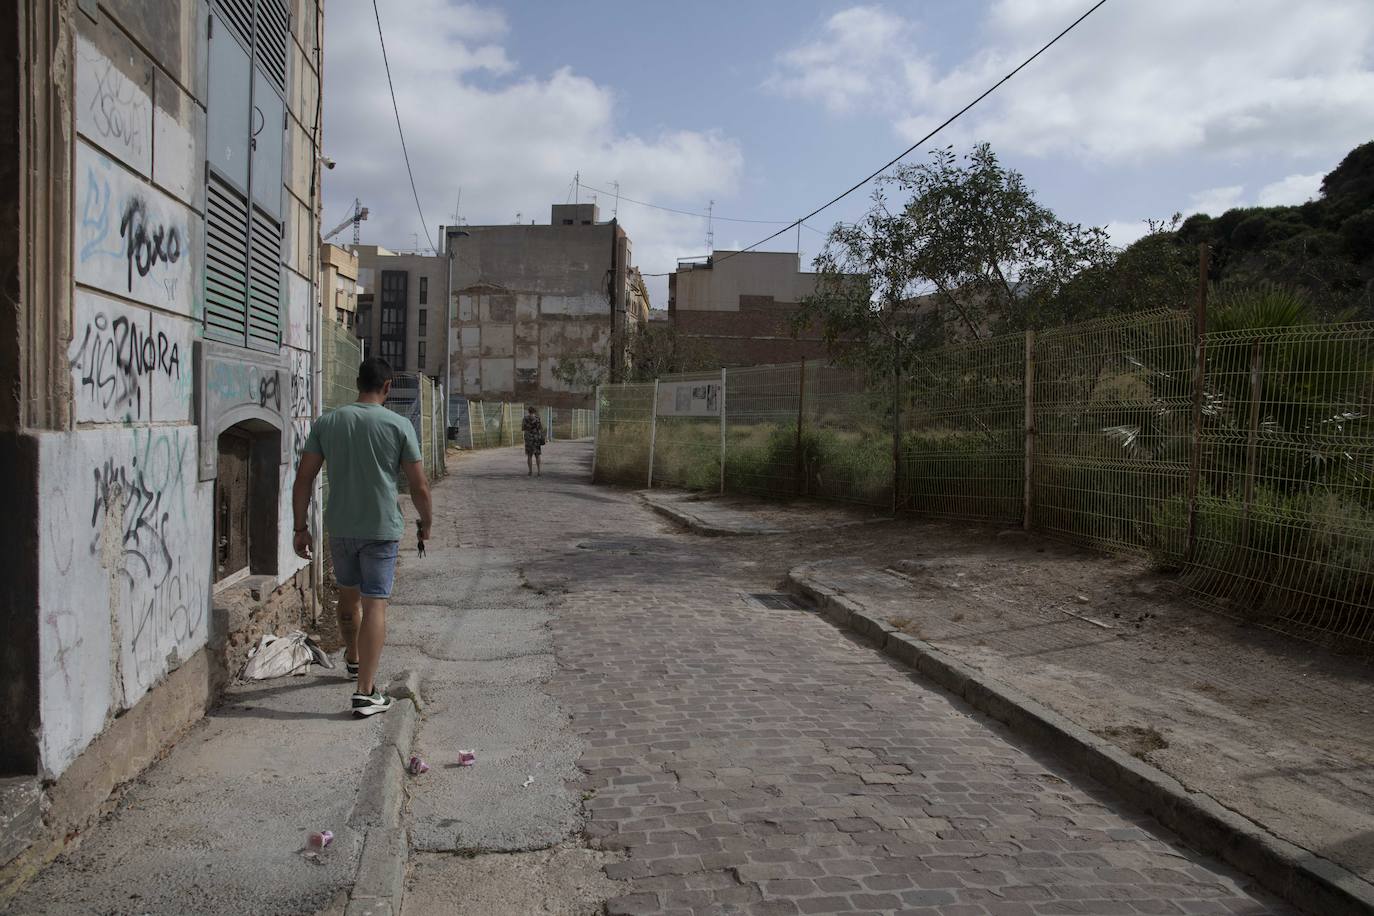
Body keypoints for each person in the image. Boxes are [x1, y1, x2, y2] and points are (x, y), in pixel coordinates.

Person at [292, 358, 432, 718]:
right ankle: (365, 692)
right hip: (381, 529)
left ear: (358, 383)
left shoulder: (328, 422)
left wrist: (300, 527)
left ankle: (353, 658)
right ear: (387, 386)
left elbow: (304, 479)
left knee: (348, 599)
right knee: (375, 607)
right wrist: (426, 522)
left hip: (341, 526)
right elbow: (418, 485)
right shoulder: (399, 425)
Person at [522, 405, 545, 477]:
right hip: (536, 438)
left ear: (528, 411)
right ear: (534, 411)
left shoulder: (525, 418)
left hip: (529, 438)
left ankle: (530, 471)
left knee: (529, 455)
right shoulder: (537, 418)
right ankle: (539, 471)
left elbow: (523, 428)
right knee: (537, 455)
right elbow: (540, 428)